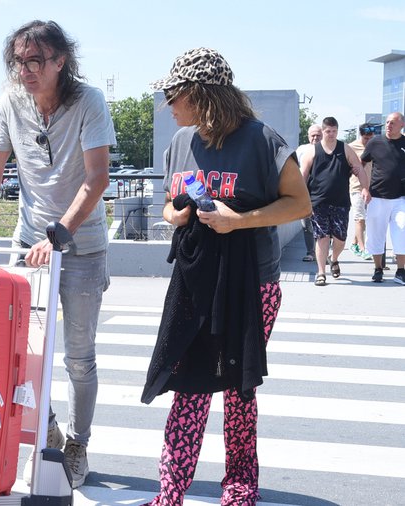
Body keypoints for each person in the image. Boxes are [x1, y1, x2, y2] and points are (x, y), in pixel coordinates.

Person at [141, 47, 311, 506]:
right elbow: (169, 204)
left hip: (252, 282)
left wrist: (239, 220)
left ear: (200, 93)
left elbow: (300, 204)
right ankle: (169, 494)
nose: (167, 104)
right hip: (195, 280)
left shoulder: (262, 140)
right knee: (188, 387)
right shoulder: (180, 142)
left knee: (238, 389)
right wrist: (176, 216)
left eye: (173, 94)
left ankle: (239, 488)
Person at [0, 20, 116, 488]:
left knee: (79, 356)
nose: (25, 70)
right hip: (31, 244)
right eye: (18, 62)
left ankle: (78, 443)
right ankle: (45, 426)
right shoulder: (10, 102)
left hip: (82, 245)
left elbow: (98, 177)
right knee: (20, 349)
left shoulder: (89, 102)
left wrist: (61, 233)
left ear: (60, 61)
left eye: (35, 61)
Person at [300, 116, 371, 286]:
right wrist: (300, 198)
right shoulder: (312, 151)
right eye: (328, 131)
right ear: (323, 131)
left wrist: (365, 188)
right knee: (322, 237)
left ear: (337, 131)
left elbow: (359, 169)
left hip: (340, 202)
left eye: (334, 131)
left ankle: (334, 258)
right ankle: (321, 272)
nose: (331, 134)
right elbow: (303, 176)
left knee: (340, 238)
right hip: (318, 202)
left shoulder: (345, 149)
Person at [360, 112, 405, 284]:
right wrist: (364, 188)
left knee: (402, 231)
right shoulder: (375, 142)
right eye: (387, 122)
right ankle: (378, 269)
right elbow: (361, 164)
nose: (388, 125)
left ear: (402, 125)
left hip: (400, 198)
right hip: (377, 197)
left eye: (392, 123)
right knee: (375, 235)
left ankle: (401, 271)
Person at [348, 123, 376, 260]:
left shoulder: (376, 146)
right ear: (361, 135)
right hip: (357, 187)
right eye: (366, 138)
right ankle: (363, 248)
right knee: (360, 219)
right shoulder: (351, 147)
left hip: (373, 189)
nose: (368, 141)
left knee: (366, 219)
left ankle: (354, 243)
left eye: (371, 138)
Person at [295, 124, 322, 261]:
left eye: (318, 135)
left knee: (323, 224)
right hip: (304, 191)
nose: (315, 138)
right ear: (308, 136)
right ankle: (310, 252)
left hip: (322, 192)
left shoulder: (328, 149)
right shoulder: (301, 150)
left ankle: (323, 253)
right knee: (306, 224)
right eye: (313, 135)